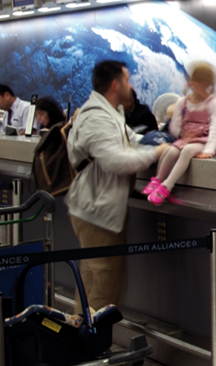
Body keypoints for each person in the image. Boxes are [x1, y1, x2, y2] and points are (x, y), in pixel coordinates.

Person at [66, 60, 170, 311]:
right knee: (103, 289)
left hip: (100, 210)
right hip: (97, 213)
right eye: (126, 80)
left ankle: (83, 330)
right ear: (115, 84)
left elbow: (129, 139)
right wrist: (156, 153)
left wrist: (158, 142)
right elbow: (115, 161)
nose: (130, 85)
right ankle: (91, 335)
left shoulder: (109, 112)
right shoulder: (96, 117)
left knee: (94, 283)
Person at [144, 62, 216, 205]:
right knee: (172, 150)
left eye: (203, 83)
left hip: (205, 140)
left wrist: (208, 151)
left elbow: (215, 129)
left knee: (187, 150)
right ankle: (157, 180)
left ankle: (167, 186)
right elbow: (174, 126)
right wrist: (182, 134)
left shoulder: (214, 103)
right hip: (187, 138)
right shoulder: (183, 102)